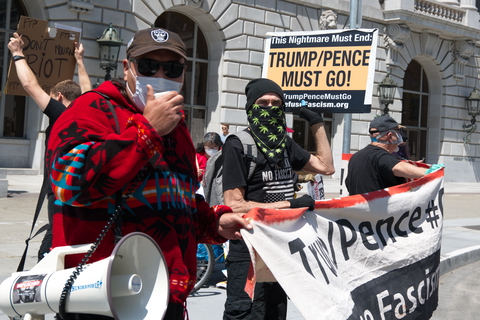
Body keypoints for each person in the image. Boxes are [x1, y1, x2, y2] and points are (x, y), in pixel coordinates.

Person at [46, 27, 251, 320]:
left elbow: (179, 200)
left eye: (172, 68)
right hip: (101, 295)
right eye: (148, 66)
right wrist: (146, 131)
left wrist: (214, 222)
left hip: (164, 292)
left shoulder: (177, 127)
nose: (160, 75)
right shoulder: (90, 109)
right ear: (127, 68)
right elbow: (68, 185)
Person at [221, 78, 335, 320]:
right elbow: (234, 204)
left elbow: (326, 167)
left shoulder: (286, 144)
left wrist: (316, 122)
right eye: (263, 103)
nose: (270, 107)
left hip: (281, 250)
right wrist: (286, 206)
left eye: (276, 103)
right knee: (247, 314)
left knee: (275, 314)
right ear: (251, 107)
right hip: (250, 252)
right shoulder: (238, 144)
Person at [7, 32, 92, 261]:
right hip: (84, 188)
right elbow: (88, 91)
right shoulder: (88, 113)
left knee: (54, 240)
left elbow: (29, 84)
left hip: (59, 189)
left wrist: (17, 54)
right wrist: (80, 61)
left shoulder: (61, 113)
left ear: (59, 96)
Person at [345, 115, 439, 196]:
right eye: (397, 133)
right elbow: (397, 167)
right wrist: (430, 172)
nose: (400, 137)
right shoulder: (381, 156)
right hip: (378, 215)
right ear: (390, 136)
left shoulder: (356, 156)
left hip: (358, 213)